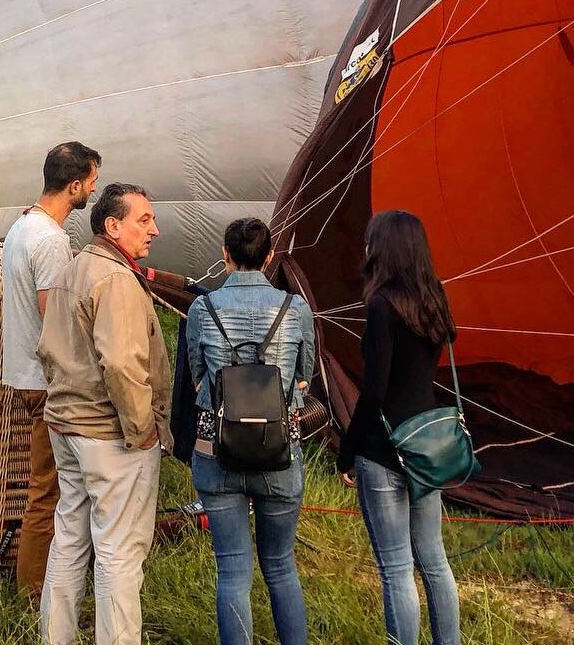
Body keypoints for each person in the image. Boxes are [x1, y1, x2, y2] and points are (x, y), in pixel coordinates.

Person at [37, 183, 170, 645]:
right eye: (144, 220)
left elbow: (49, 348)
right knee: (119, 550)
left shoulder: (76, 268)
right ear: (113, 226)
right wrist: (143, 431)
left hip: (67, 424)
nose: (154, 229)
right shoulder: (115, 279)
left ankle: (57, 637)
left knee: (70, 538)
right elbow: (121, 364)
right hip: (108, 433)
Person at [186, 218, 314, 645]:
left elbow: (198, 379)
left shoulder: (201, 310)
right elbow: (303, 378)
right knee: (280, 565)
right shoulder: (295, 309)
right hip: (279, 451)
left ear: (225, 256)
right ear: (270, 257)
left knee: (232, 570)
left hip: (215, 451)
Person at [337, 210, 461, 645]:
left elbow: (374, 392)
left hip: (384, 449)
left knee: (395, 566)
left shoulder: (381, 305)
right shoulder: (434, 298)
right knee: (433, 558)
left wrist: (346, 450)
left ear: (383, 249)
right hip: (426, 444)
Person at [0, 141, 102, 599]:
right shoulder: (51, 241)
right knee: (50, 493)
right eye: (92, 184)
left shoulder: (21, 227)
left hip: (24, 374)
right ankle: (34, 593)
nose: (93, 193)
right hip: (47, 383)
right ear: (75, 185)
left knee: (50, 488)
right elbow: (55, 318)